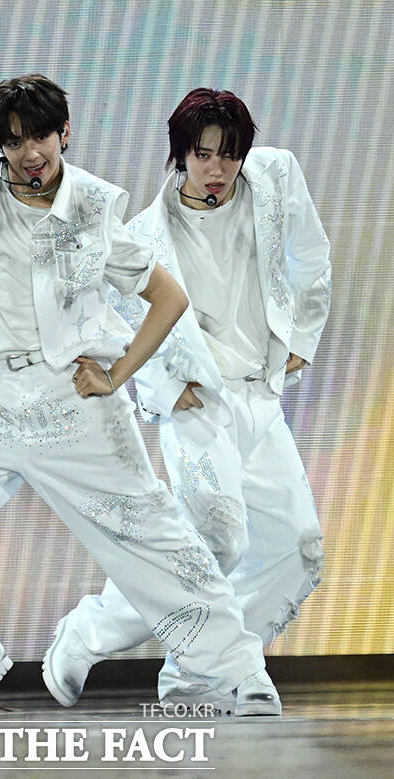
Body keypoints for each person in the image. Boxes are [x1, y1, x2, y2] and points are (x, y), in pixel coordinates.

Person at [0, 75, 280, 724]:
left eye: (40, 136)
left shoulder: (93, 207)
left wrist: (117, 375)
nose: (29, 153)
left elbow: (168, 297)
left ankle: (240, 673)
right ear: (0, 145)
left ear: (64, 133)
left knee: (155, 540)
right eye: (14, 142)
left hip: (75, 403)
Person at [43, 87, 330, 709]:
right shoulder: (144, 236)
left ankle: (197, 672)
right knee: (219, 539)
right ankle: (90, 633)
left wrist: (303, 336)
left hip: (260, 397)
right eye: (203, 155)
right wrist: (166, 389)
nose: (217, 169)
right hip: (199, 404)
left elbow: (310, 253)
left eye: (229, 154)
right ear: (180, 154)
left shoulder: (275, 179)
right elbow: (120, 321)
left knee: (297, 548)